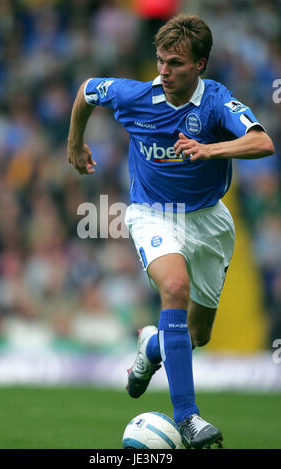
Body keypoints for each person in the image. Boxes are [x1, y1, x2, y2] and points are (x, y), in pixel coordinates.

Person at [67, 14, 275, 449]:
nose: (164, 71)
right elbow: (86, 90)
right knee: (174, 288)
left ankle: (152, 348)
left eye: (175, 64)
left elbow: (263, 142)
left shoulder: (217, 103)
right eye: (160, 61)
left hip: (209, 221)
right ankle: (188, 418)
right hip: (153, 214)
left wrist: (210, 148)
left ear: (200, 64)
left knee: (197, 335)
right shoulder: (135, 94)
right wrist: (75, 144)